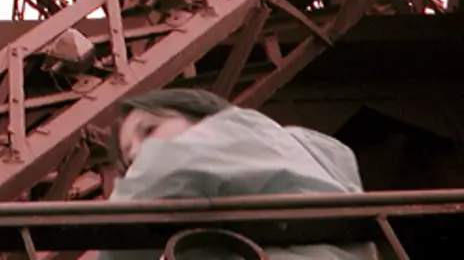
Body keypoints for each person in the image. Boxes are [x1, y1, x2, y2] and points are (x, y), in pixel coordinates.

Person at [100, 89, 376, 260]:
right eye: (127, 155)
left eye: (149, 131)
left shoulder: (223, 133)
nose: (136, 154)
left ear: (204, 117)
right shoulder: (308, 147)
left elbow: (126, 221)